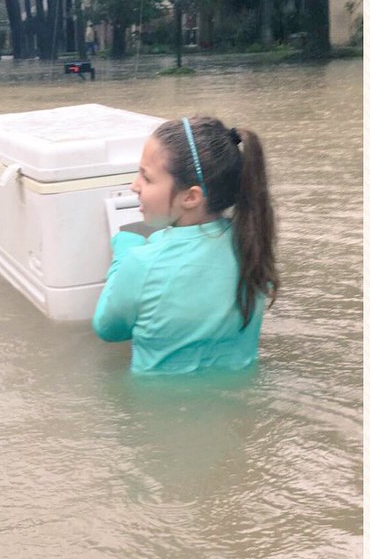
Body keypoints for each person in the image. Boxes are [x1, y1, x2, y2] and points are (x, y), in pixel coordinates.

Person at [92, 115, 278, 374]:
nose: (134, 186)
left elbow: (107, 329)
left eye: (146, 178)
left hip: (156, 405)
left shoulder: (140, 262)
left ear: (191, 197)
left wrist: (122, 257)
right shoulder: (252, 245)